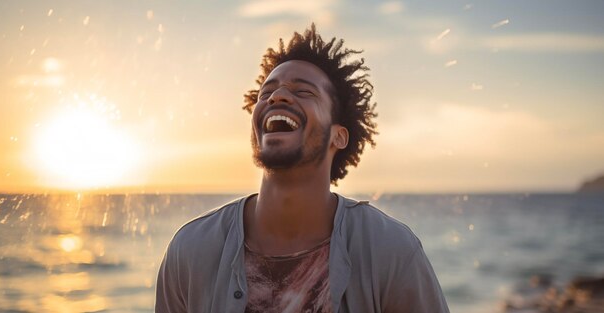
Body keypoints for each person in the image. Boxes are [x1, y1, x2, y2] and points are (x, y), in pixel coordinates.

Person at [155, 24, 450, 313]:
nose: (277, 97)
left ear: (339, 135)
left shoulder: (391, 250)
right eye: (266, 92)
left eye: (304, 91)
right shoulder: (191, 251)